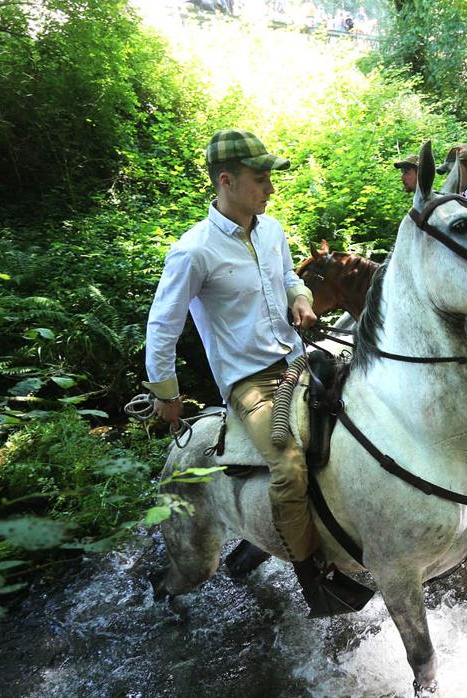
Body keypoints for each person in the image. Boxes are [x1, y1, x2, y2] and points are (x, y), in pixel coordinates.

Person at [144, 129, 343, 616]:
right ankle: (314, 575)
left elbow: (292, 277)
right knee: (289, 465)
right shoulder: (193, 251)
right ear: (227, 181)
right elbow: (161, 325)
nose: (270, 189)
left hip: (301, 356)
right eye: (261, 180)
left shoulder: (271, 230)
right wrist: (166, 394)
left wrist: (301, 297)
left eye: (270, 179)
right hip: (252, 382)